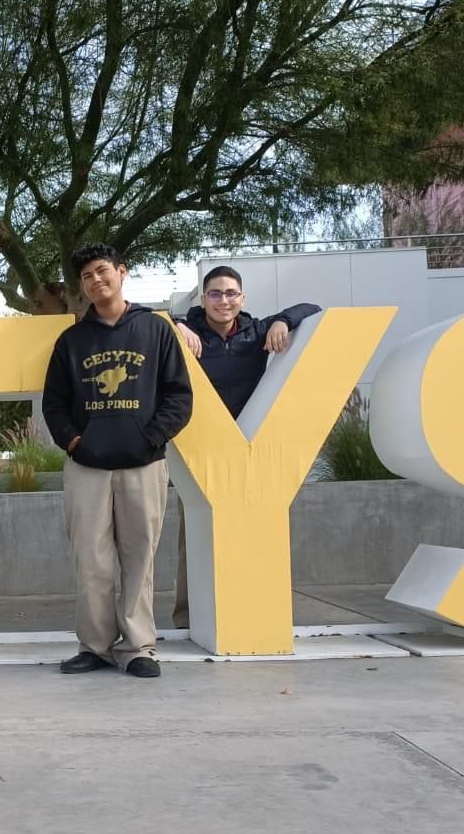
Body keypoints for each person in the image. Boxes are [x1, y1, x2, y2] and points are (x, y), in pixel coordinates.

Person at [43, 243, 193, 678]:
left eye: (102, 271)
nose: (95, 280)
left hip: (143, 465)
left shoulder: (156, 330)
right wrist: (74, 442)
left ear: (121, 272)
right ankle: (94, 646)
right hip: (87, 466)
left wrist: (151, 438)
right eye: (87, 275)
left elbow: (178, 396)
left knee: (140, 556)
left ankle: (139, 647)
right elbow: (55, 404)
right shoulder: (72, 341)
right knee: (90, 558)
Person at [171, 265, 319, 627]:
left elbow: (312, 308)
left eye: (231, 293)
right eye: (215, 294)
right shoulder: (184, 331)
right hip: (201, 447)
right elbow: (145, 317)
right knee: (194, 535)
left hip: (249, 445)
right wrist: (176, 325)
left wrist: (283, 320)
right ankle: (188, 616)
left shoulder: (257, 332)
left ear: (242, 297)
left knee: (251, 532)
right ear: (203, 299)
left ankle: (250, 611)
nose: (224, 300)